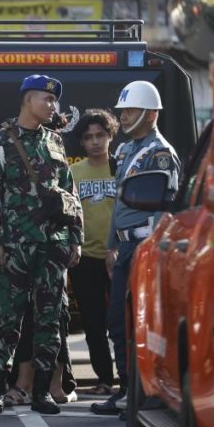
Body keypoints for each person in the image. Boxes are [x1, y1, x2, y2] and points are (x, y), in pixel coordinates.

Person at [0, 74, 82, 415]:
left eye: (54, 101)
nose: (52, 106)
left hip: (52, 243)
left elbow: (70, 193)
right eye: (47, 100)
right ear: (27, 100)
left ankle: (42, 391)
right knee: (7, 318)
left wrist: (75, 239)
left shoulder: (55, 141)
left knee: (50, 318)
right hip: (14, 245)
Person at [90, 81, 181, 416]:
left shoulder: (159, 154)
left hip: (146, 245)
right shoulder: (126, 150)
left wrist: (152, 252)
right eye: (123, 110)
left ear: (151, 114)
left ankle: (145, 391)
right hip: (125, 248)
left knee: (141, 324)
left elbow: (161, 207)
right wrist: (112, 247)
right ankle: (128, 386)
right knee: (117, 321)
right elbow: (120, 204)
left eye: (129, 111)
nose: (123, 117)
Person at [67, 110, 118, 396]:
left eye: (101, 135)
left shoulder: (123, 168)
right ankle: (104, 379)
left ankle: (127, 377)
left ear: (110, 136)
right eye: (88, 137)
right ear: (82, 143)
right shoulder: (74, 173)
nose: (95, 142)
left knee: (123, 322)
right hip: (86, 258)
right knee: (93, 322)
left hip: (120, 257)